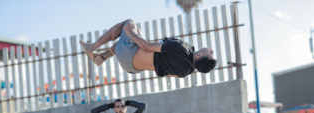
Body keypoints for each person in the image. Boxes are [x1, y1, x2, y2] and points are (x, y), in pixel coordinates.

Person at [80, 19, 217, 78]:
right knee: (129, 38)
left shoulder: (180, 48)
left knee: (130, 24)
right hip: (132, 68)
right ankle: (101, 58)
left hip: (130, 54)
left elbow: (146, 46)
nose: (211, 51)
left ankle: (92, 47)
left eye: (210, 54)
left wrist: (130, 31)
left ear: (199, 56)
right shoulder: (187, 70)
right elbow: (166, 73)